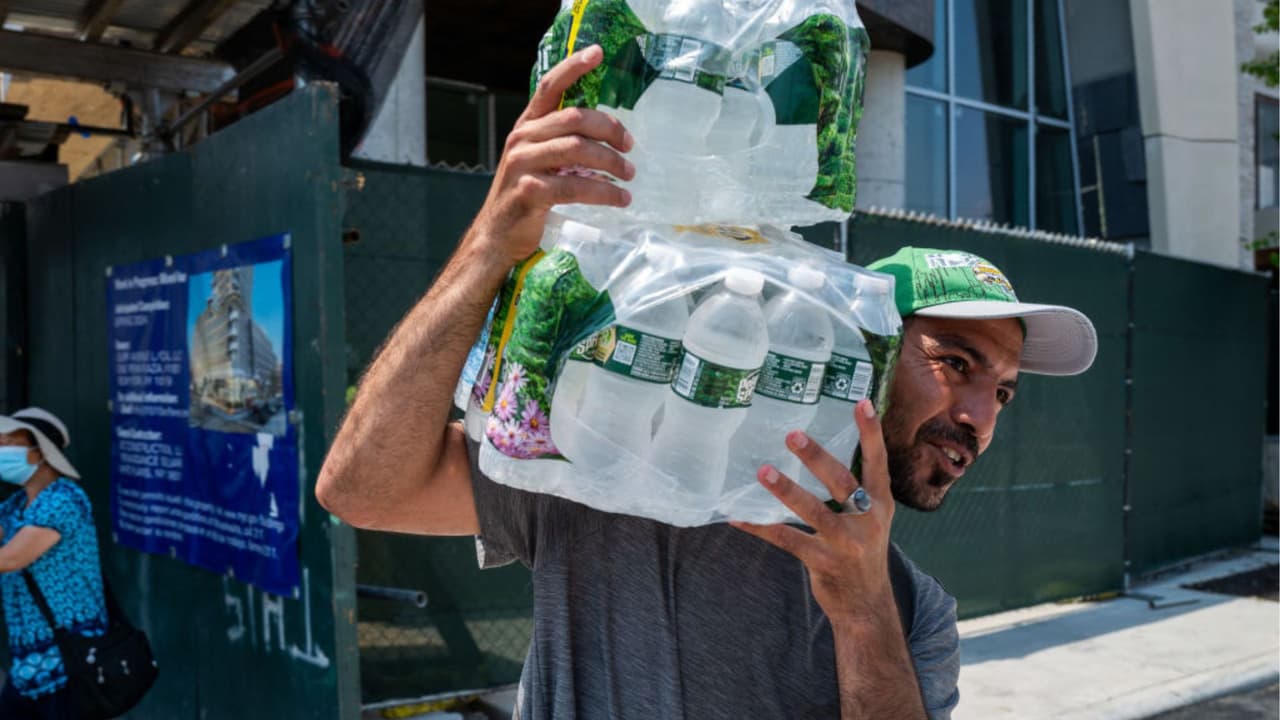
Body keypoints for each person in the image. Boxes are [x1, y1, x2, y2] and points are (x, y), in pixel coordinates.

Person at [316, 46, 1097, 719]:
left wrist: (862, 614)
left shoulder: (913, 613)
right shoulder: (617, 470)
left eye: (1001, 391)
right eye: (955, 364)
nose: (979, 417)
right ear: (861, 350)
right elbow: (362, 488)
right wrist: (487, 247)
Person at [0, 408, 109, 720]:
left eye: (9, 442)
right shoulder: (17, 504)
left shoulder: (63, 499)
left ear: (40, 452)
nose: (0, 449)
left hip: (69, 665)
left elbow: (9, 559)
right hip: (29, 667)